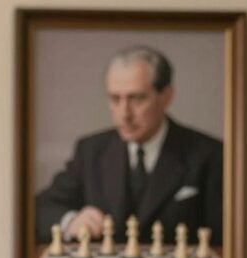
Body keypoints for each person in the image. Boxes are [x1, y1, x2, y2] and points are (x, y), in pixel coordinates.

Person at [35, 46, 223, 245]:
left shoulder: (210, 154)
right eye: (115, 99)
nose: (124, 113)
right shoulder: (90, 151)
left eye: (137, 98)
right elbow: (39, 209)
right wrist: (70, 221)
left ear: (166, 96)